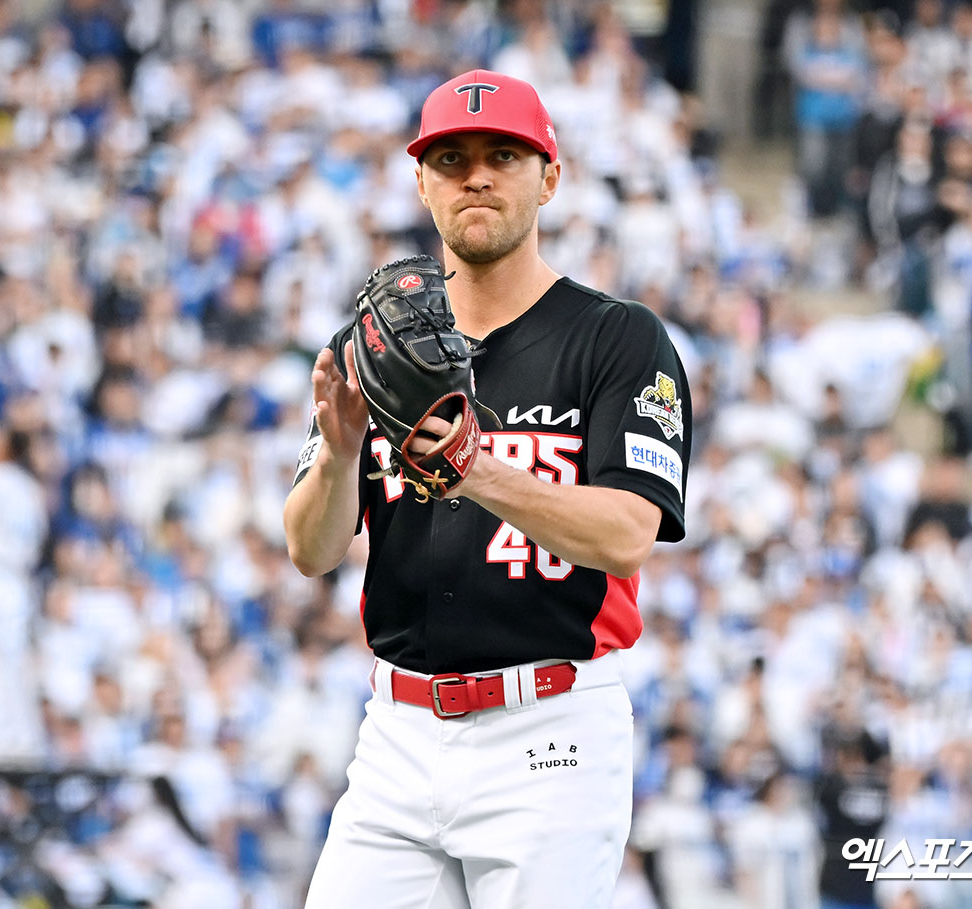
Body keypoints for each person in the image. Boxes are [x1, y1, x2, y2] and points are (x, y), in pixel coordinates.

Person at [283, 70, 693, 908]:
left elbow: (626, 534)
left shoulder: (617, 337)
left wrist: (475, 464)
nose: (476, 175)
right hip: (397, 729)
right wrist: (337, 453)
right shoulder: (379, 340)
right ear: (421, 182)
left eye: (503, 154)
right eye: (452, 158)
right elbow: (310, 548)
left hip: (549, 729)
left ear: (549, 176)